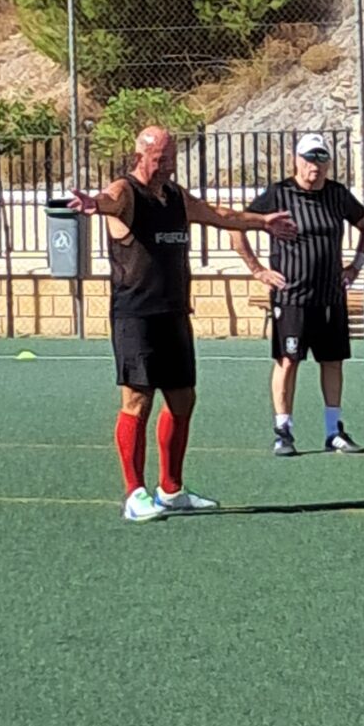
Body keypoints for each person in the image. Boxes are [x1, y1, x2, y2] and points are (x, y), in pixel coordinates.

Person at [68, 125, 297, 522]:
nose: (167, 167)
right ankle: (134, 494)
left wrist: (262, 222)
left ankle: (171, 489)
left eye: (171, 159)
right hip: (136, 315)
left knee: (183, 399)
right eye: (160, 160)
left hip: (174, 313)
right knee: (137, 401)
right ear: (140, 156)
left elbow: (218, 214)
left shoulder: (175, 196)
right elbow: (109, 200)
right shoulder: (126, 191)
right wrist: (94, 203)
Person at [230, 132, 364, 456]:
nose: (315, 166)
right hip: (291, 297)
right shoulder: (278, 194)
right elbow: (237, 227)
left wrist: (356, 265)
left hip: (330, 296)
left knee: (332, 361)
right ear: (296, 160)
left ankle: (333, 431)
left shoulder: (337, 195)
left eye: (321, 158)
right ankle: (283, 431)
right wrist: (257, 270)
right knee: (288, 361)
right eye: (309, 158)